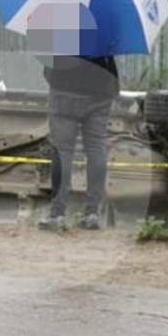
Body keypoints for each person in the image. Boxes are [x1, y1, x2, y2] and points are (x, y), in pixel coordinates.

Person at [39, 55, 120, 232]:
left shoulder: (61, 27)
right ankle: (92, 214)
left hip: (64, 89)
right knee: (96, 148)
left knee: (63, 151)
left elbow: (48, 67)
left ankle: (57, 214)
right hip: (99, 91)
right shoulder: (105, 28)